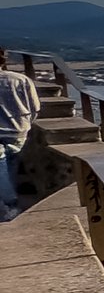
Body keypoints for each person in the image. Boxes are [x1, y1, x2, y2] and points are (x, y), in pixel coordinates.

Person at [0, 64, 37, 221]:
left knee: (1, 166)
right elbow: (34, 107)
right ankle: (11, 205)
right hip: (17, 130)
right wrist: (26, 125)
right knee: (12, 165)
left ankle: (9, 204)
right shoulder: (21, 79)